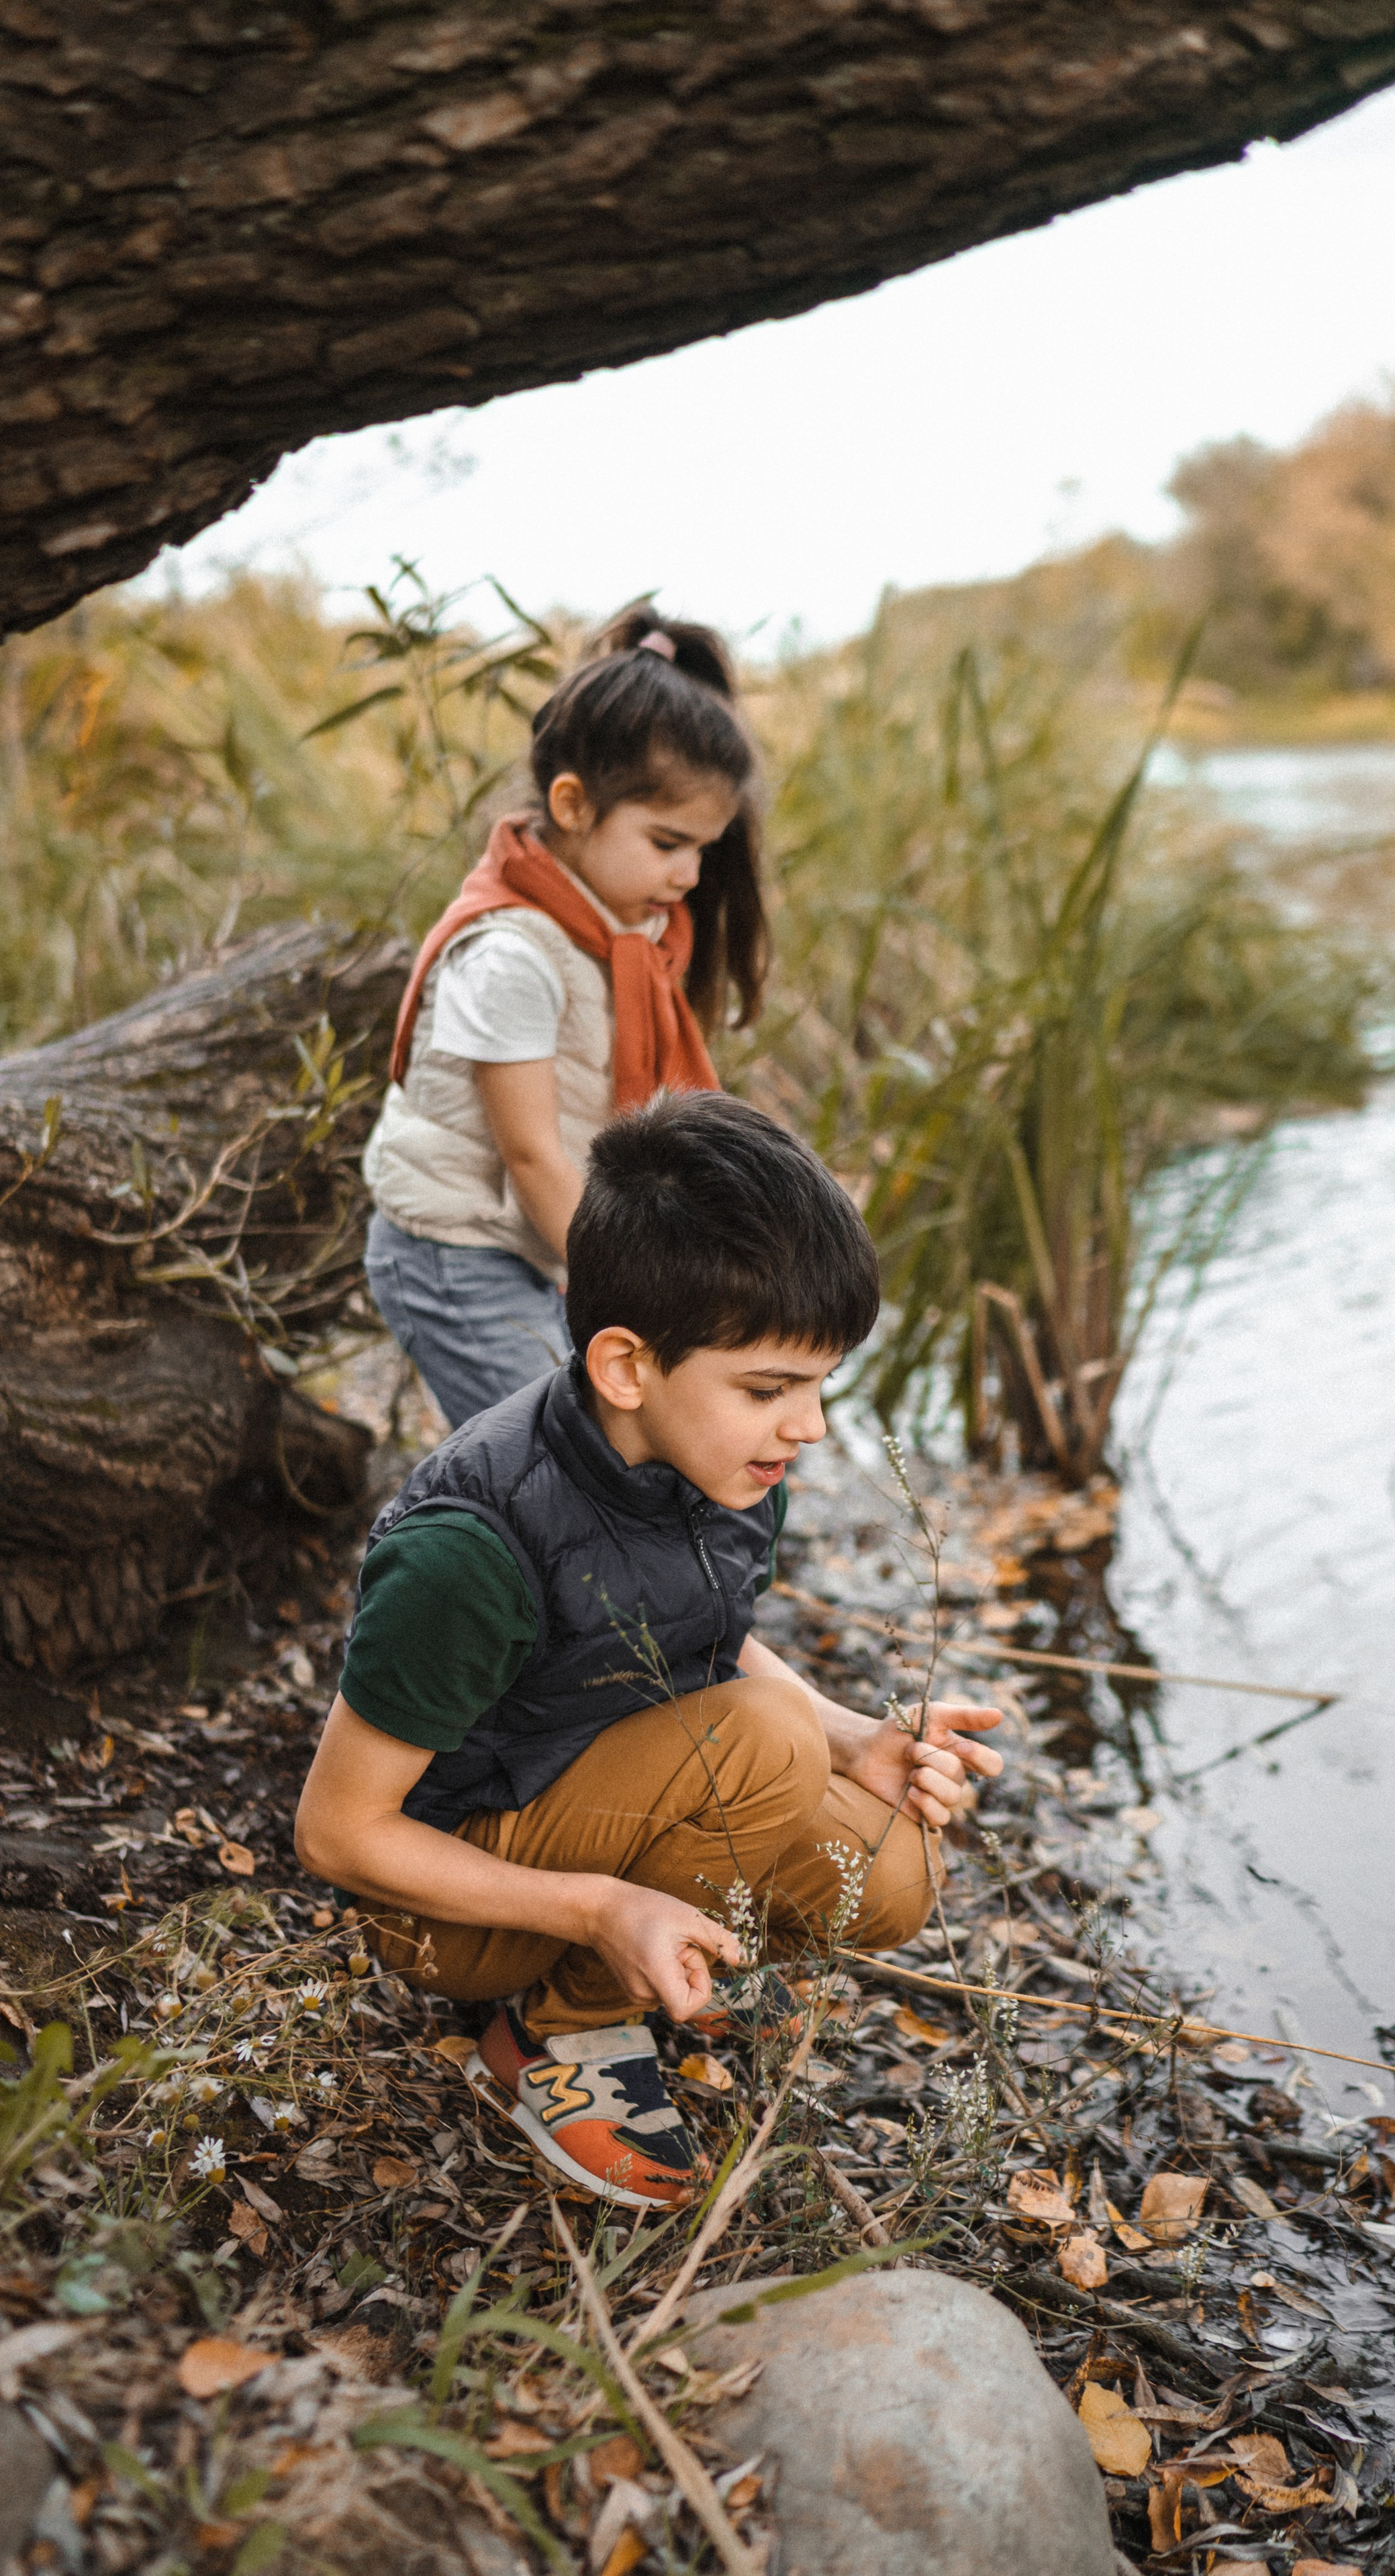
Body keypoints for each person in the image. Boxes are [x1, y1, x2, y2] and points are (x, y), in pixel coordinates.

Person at [297, 1093, 1006, 2210]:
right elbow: (337, 1833)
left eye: (819, 1383)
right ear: (627, 1365)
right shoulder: (468, 1550)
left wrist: (859, 1736)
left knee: (893, 1872)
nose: (809, 1425)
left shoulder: (723, 1462)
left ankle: (647, 1949)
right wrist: (594, 1910)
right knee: (764, 1744)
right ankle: (559, 2032)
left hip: (598, 1795)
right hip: (451, 1908)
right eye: (771, 1389)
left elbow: (710, 1642)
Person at [362, 605, 769, 1429]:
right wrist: (637, 1299)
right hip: (455, 1252)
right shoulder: (512, 957)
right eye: (666, 843)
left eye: (703, 848)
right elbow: (532, 1154)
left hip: (537, 1245)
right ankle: (426, 1555)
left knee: (596, 1445)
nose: (690, 874)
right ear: (573, 804)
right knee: (562, 1455)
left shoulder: (629, 936)